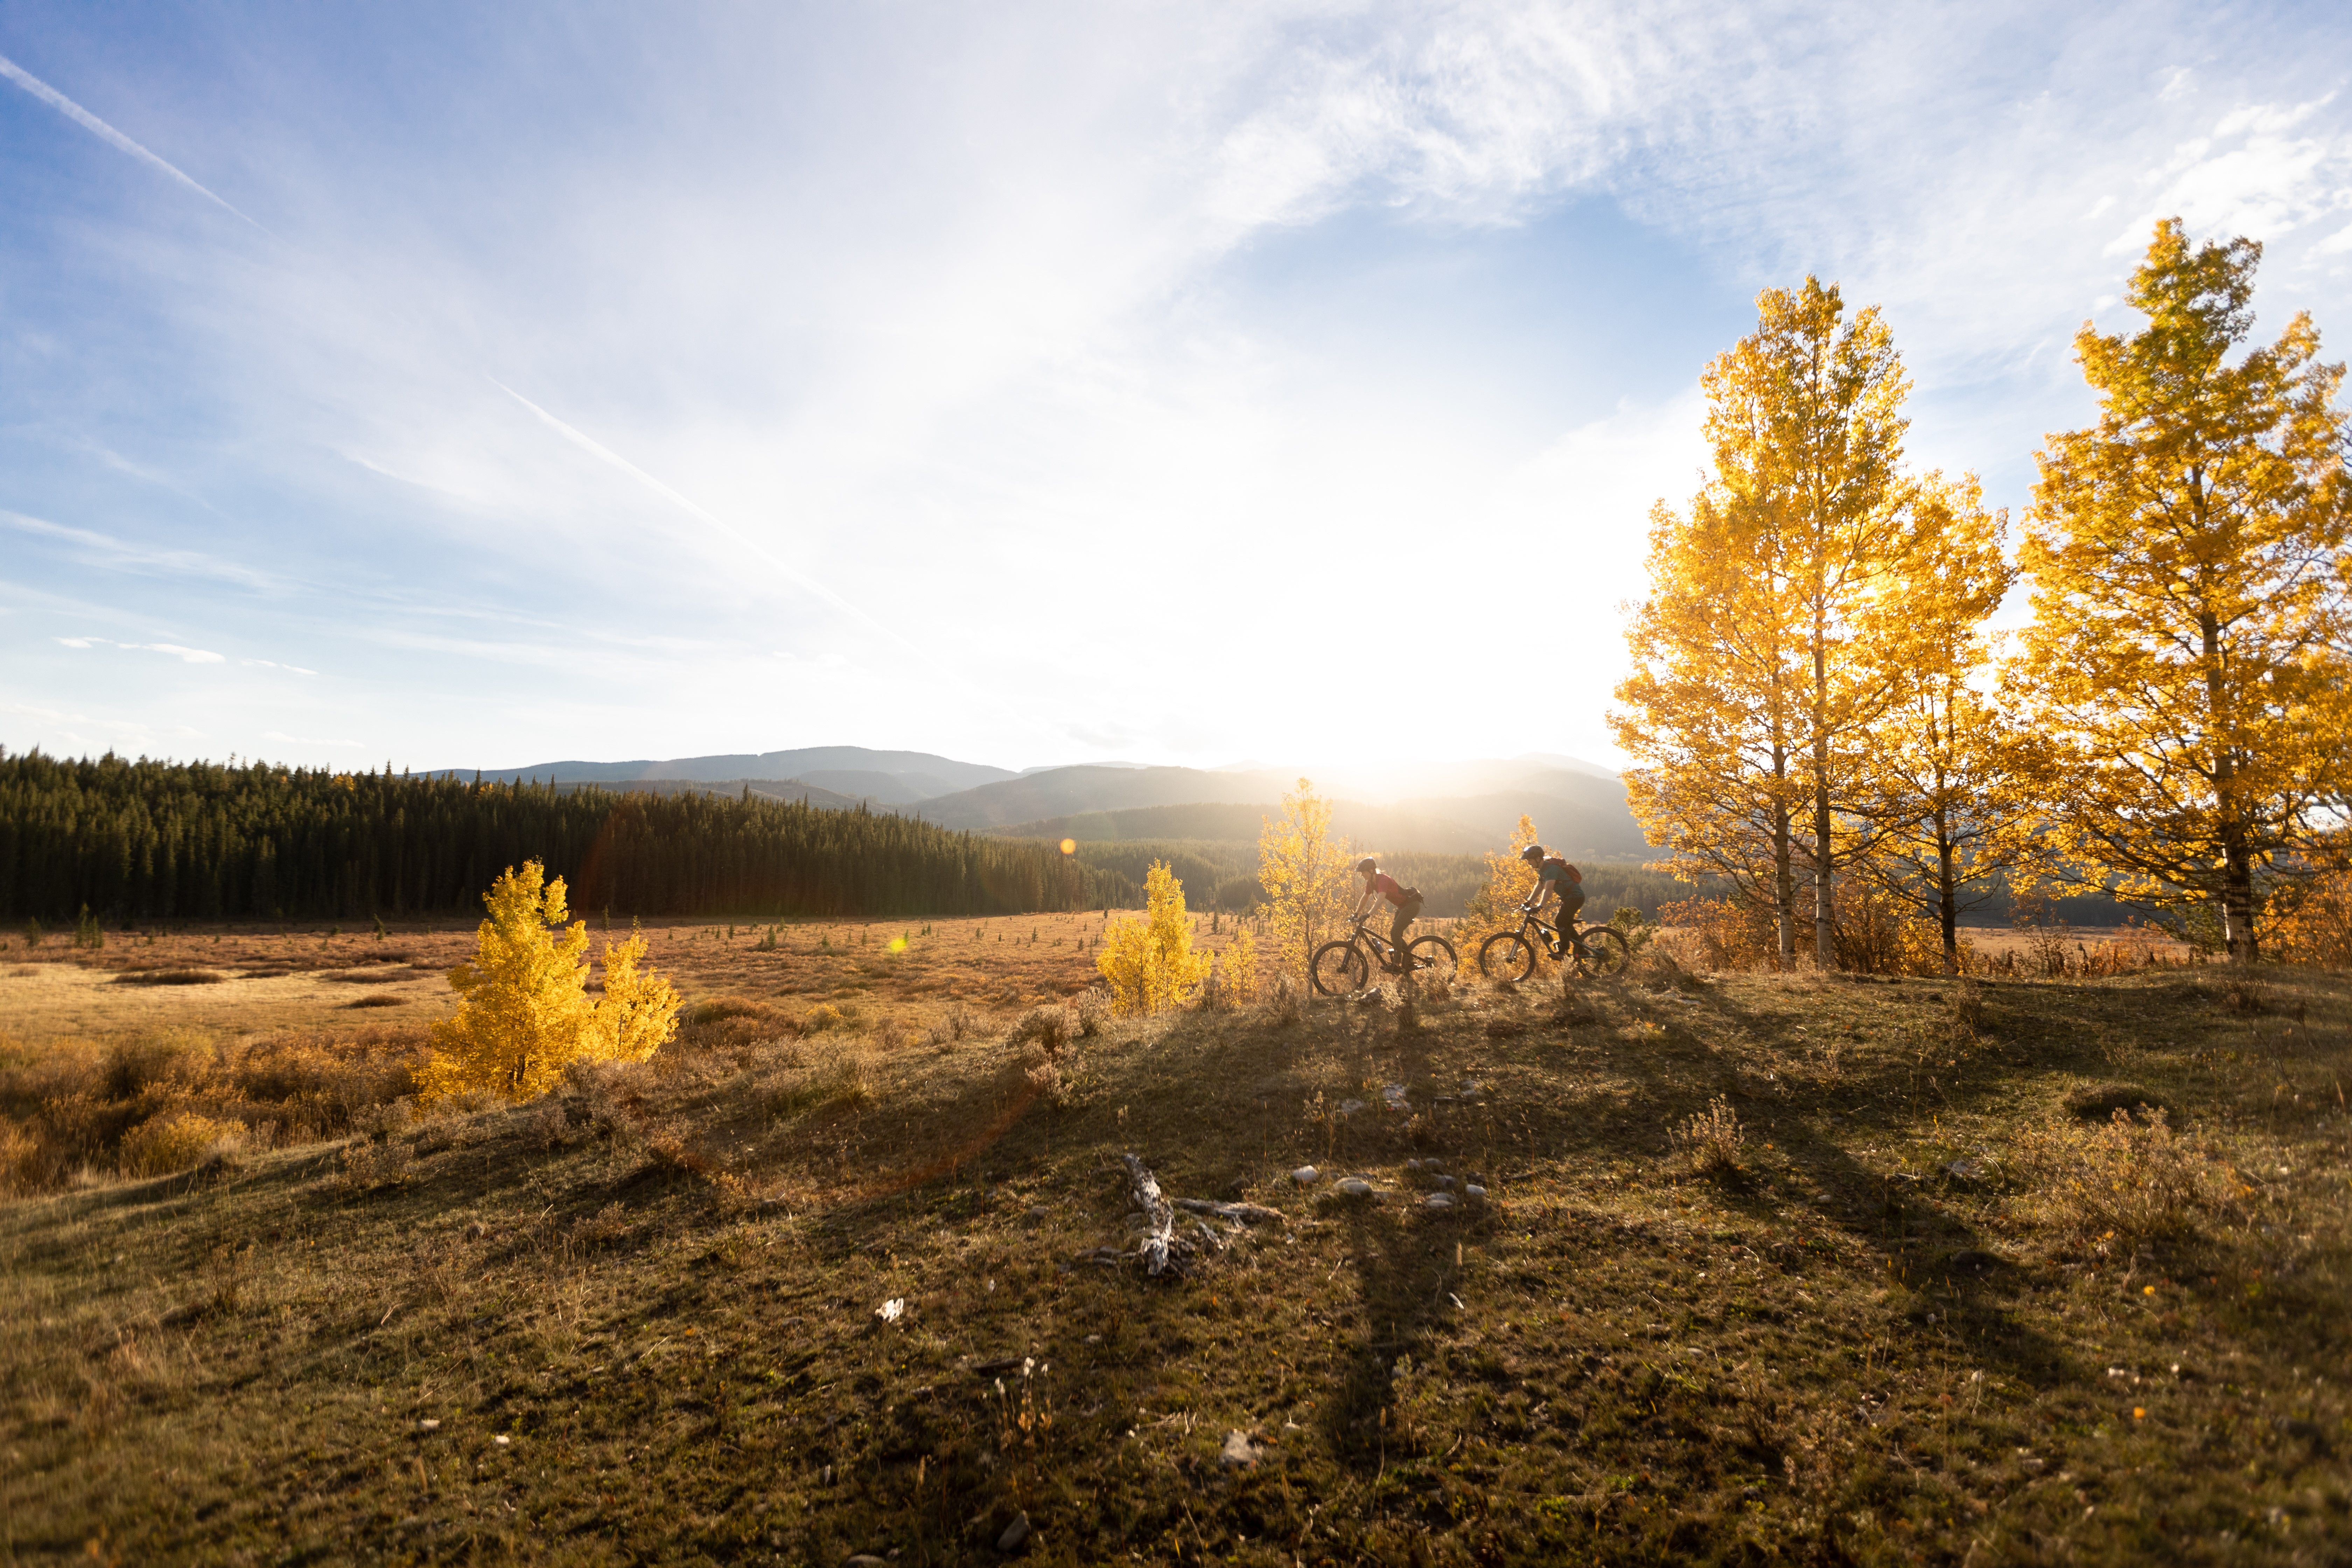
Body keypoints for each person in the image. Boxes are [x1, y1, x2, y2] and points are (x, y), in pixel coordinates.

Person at [1350, 857, 1423, 971]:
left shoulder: (1383, 880)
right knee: (1396, 934)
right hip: (1402, 907)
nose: (1362, 875)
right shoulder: (1371, 883)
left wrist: (1368, 915)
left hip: (1412, 906)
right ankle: (1408, 961)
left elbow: (1380, 900)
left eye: (1363, 872)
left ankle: (1397, 965)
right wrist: (1356, 913)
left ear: (1371, 871)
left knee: (1395, 932)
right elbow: (1365, 898)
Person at [1518, 843, 1586, 958]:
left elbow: (1548, 890)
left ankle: (1563, 952)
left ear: (1538, 859)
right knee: (1566, 925)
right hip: (1569, 898)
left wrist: (1540, 906)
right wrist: (1528, 902)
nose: (1528, 863)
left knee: (1560, 921)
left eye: (1530, 860)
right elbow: (1539, 886)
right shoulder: (1542, 869)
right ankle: (1583, 951)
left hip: (1575, 897)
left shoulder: (1551, 869)